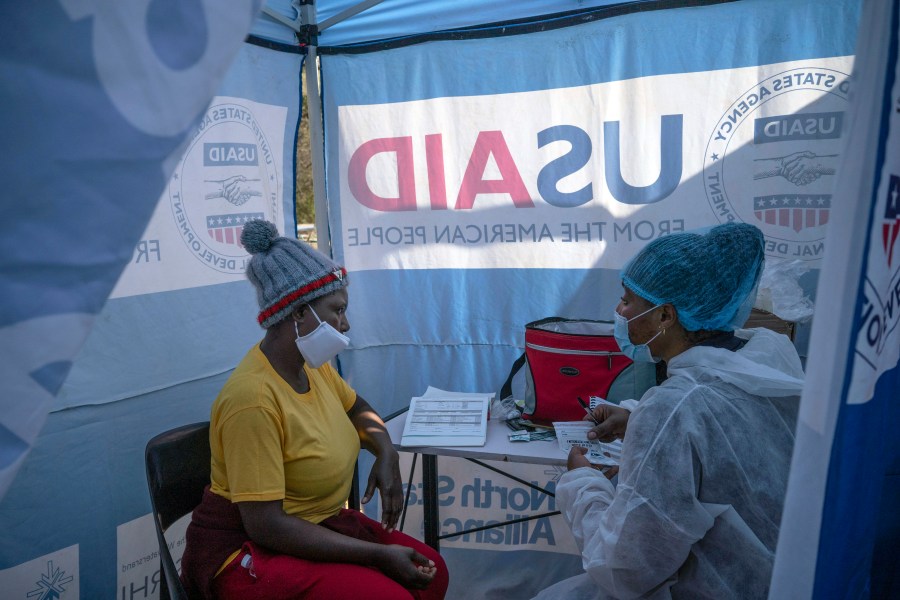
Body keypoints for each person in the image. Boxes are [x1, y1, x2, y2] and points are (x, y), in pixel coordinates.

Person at [533, 223, 804, 600]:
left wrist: (583, 483)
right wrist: (636, 419)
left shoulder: (675, 408)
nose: (618, 310)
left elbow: (627, 569)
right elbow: (728, 437)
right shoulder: (770, 359)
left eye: (628, 300)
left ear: (665, 317)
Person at [180, 219, 448, 600]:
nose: (345, 322)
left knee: (431, 575)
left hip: (314, 525)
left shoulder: (311, 367)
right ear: (298, 312)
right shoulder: (253, 399)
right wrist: (377, 555)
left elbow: (360, 410)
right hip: (248, 551)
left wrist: (385, 451)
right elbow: (266, 525)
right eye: (337, 309)